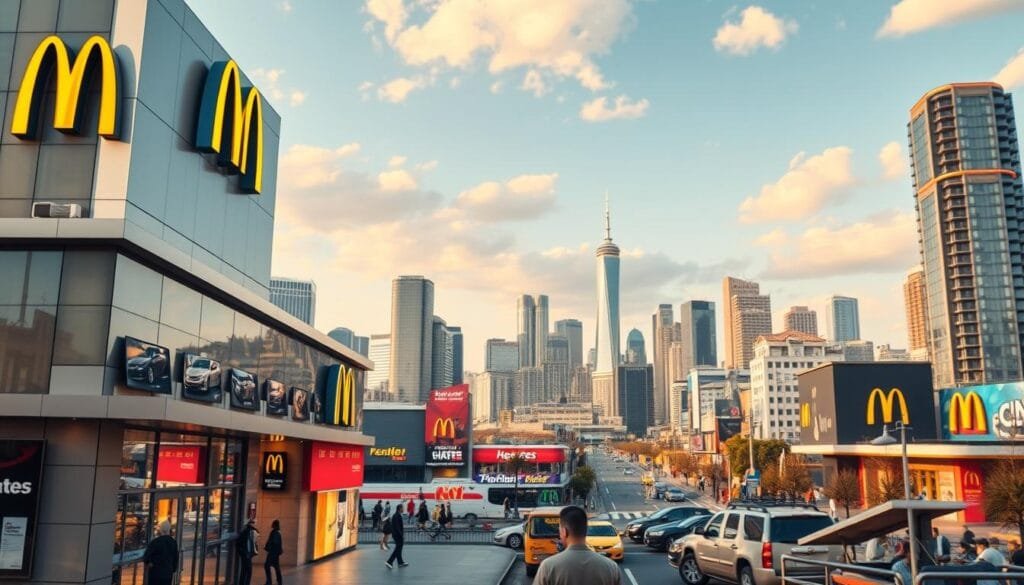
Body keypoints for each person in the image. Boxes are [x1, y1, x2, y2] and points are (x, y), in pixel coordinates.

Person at [534, 506, 620, 585]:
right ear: (585, 530)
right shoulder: (611, 567)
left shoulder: (548, 567)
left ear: (564, 532)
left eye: (559, 531)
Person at [143, 520, 178, 585]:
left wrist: (149, 563)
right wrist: (173, 569)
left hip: (155, 573)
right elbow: (175, 558)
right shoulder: (173, 542)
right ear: (169, 530)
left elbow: (146, 556)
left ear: (161, 530)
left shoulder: (155, 542)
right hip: (168, 574)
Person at [236, 519, 259, 585]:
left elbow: (238, 544)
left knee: (244, 570)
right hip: (246, 554)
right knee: (248, 571)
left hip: (246, 554)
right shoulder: (247, 532)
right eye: (253, 523)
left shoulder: (246, 532)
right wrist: (244, 553)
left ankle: (242, 583)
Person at [263, 519, 283, 585]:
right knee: (276, 567)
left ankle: (269, 582)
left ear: (274, 525)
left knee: (267, 566)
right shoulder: (277, 533)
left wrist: (268, 547)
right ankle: (279, 581)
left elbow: (273, 542)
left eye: (273, 524)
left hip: (272, 553)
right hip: (275, 553)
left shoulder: (275, 533)